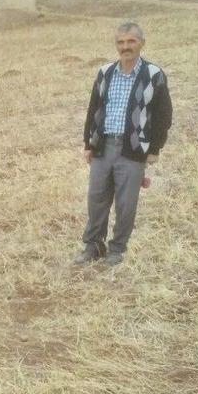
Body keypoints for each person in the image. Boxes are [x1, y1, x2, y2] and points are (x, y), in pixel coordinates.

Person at [75, 22, 173, 266]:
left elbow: (163, 115)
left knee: (126, 203)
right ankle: (93, 246)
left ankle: (117, 249)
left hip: (133, 149)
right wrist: (89, 143)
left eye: (131, 41)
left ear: (141, 43)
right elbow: (93, 108)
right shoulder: (105, 72)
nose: (125, 47)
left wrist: (154, 149)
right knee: (96, 198)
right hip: (103, 146)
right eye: (121, 42)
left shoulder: (153, 75)